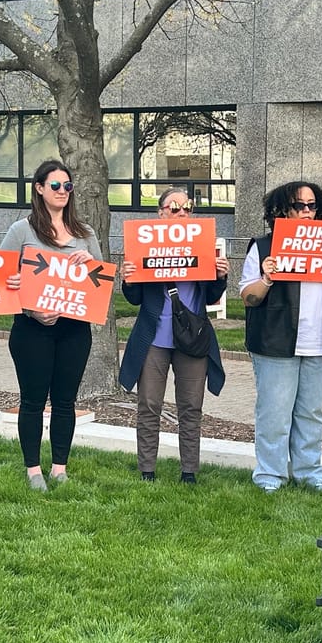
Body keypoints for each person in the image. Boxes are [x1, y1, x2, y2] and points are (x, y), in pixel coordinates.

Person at [239, 181, 322, 492]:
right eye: (299, 205)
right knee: (274, 414)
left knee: (311, 414)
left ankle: (309, 474)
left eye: (312, 205)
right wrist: (266, 278)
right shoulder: (263, 247)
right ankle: (270, 476)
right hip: (275, 343)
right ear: (282, 210)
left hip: (319, 343)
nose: (307, 211)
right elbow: (249, 297)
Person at [1, 159, 102, 491]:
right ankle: (33, 470)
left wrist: (91, 264)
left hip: (74, 329)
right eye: (55, 185)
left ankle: (60, 467)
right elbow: (3, 280)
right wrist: (32, 311)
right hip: (31, 329)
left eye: (67, 186)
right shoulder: (21, 231)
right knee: (32, 400)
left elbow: (101, 282)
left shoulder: (85, 233)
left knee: (65, 400)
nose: (62, 191)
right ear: (39, 188)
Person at [119, 190, 229, 484]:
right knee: (149, 404)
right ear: (161, 212)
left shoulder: (202, 245)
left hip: (192, 340)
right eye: (175, 207)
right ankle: (147, 470)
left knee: (191, 407)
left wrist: (220, 276)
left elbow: (211, 297)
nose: (182, 212)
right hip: (154, 339)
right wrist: (128, 279)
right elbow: (134, 299)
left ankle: (189, 472)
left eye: (188, 207)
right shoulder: (143, 245)